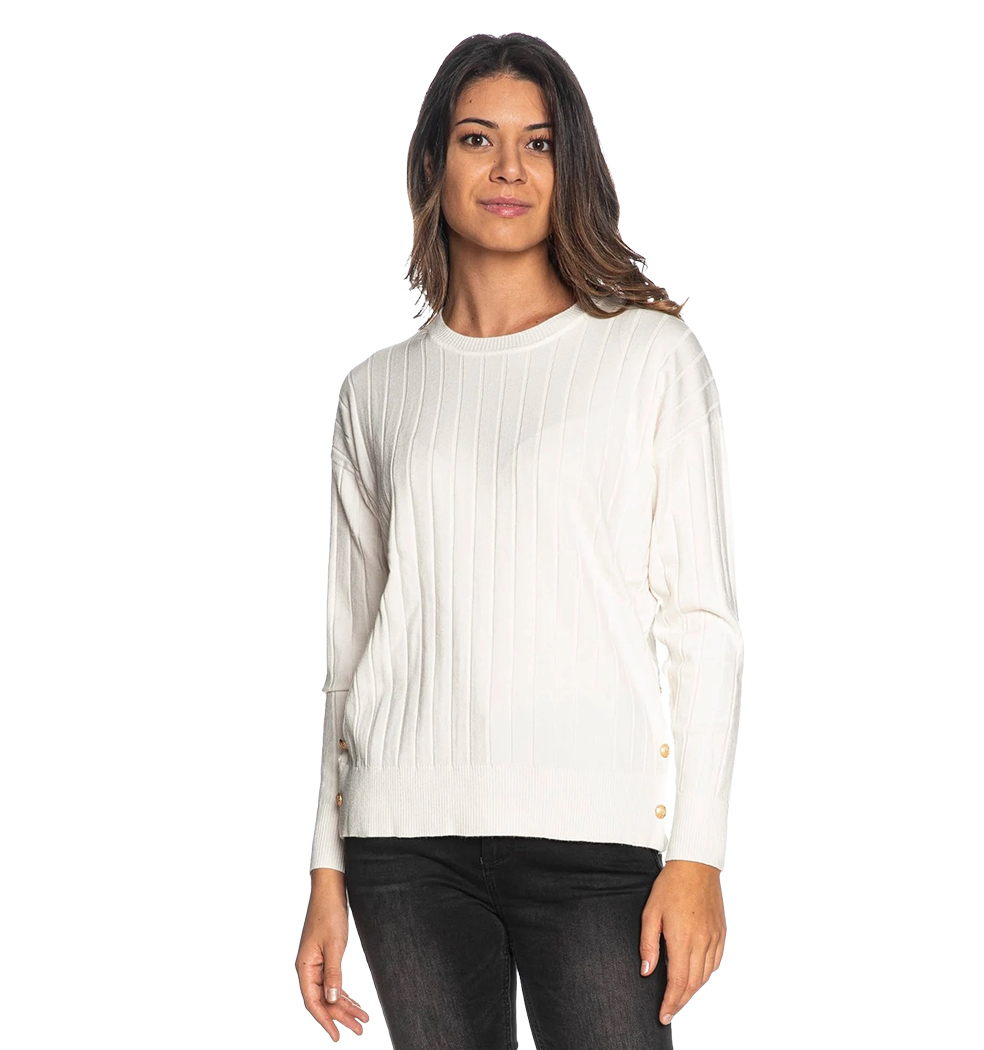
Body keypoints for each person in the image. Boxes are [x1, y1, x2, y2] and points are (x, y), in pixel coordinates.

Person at [295, 32, 744, 1050]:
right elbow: (348, 656)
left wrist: (699, 855)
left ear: (569, 166)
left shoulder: (650, 356)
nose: (508, 169)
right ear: (432, 162)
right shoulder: (375, 392)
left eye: (539, 143)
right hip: (401, 845)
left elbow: (702, 623)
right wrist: (325, 872)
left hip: (595, 839)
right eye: (477, 139)